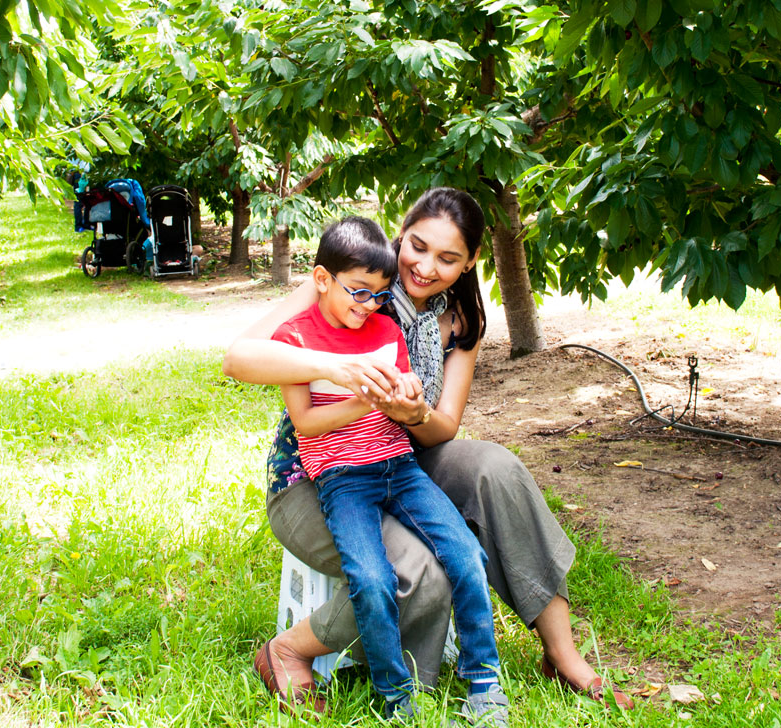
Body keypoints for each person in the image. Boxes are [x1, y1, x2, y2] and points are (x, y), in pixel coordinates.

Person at [230, 187, 632, 712]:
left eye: (447, 258)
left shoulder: (459, 320)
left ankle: (562, 654)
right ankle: (290, 650)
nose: (424, 267)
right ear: (402, 229)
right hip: (318, 473)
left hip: (402, 455)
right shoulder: (356, 277)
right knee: (418, 568)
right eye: (417, 246)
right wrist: (335, 370)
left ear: (471, 263)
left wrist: (413, 412)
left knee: (497, 468)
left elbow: (443, 429)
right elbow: (239, 359)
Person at [264, 216, 507, 723]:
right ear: (322, 279)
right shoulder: (295, 339)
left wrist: (408, 397)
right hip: (341, 479)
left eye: (377, 294)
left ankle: (483, 678)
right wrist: (361, 400)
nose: (367, 305)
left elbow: (410, 391)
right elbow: (306, 423)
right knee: (372, 578)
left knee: (465, 553)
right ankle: (395, 695)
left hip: (398, 466)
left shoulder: (383, 327)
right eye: (357, 292)